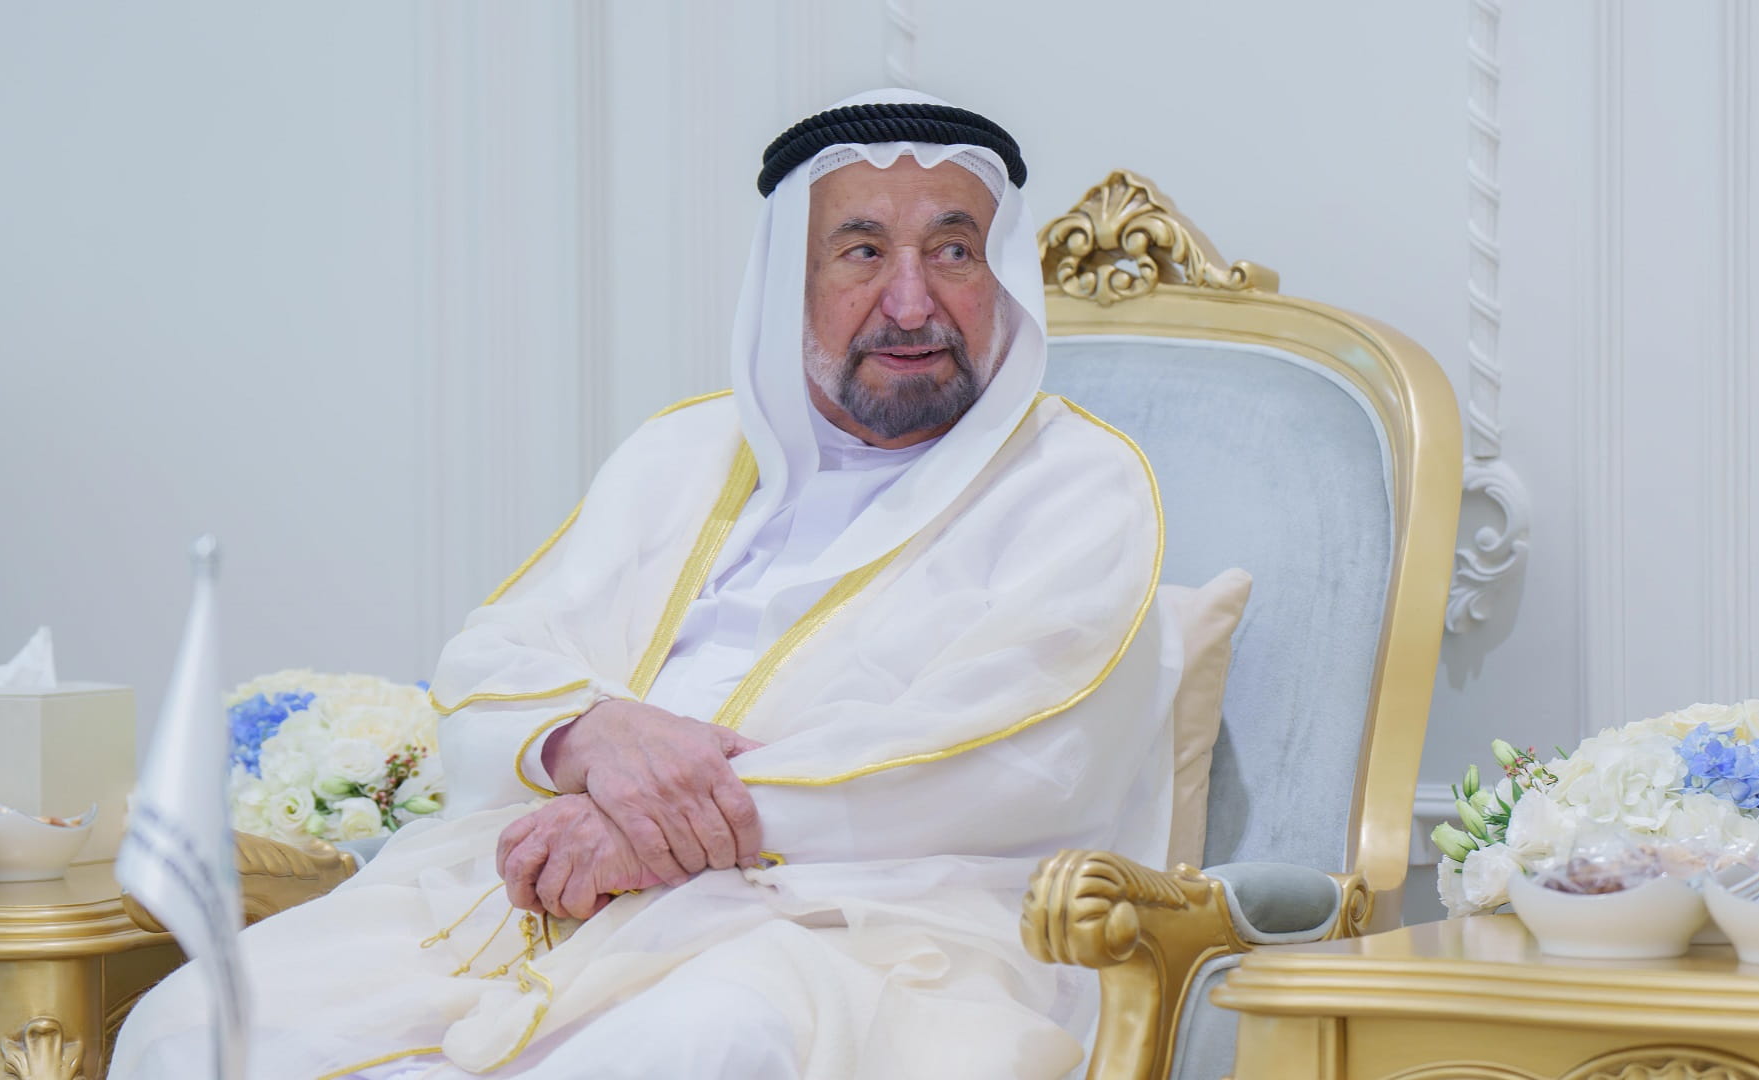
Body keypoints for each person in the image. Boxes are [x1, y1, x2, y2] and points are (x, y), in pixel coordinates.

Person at [109, 88, 1171, 1080]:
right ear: (787, 285)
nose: (910, 300)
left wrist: (647, 828)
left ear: (1000, 278)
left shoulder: (1075, 483)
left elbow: (1010, 760)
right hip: (539, 892)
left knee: (697, 1042)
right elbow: (487, 665)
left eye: (953, 250)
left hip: (876, 922)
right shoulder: (684, 455)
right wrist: (587, 735)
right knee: (191, 1024)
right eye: (861, 251)